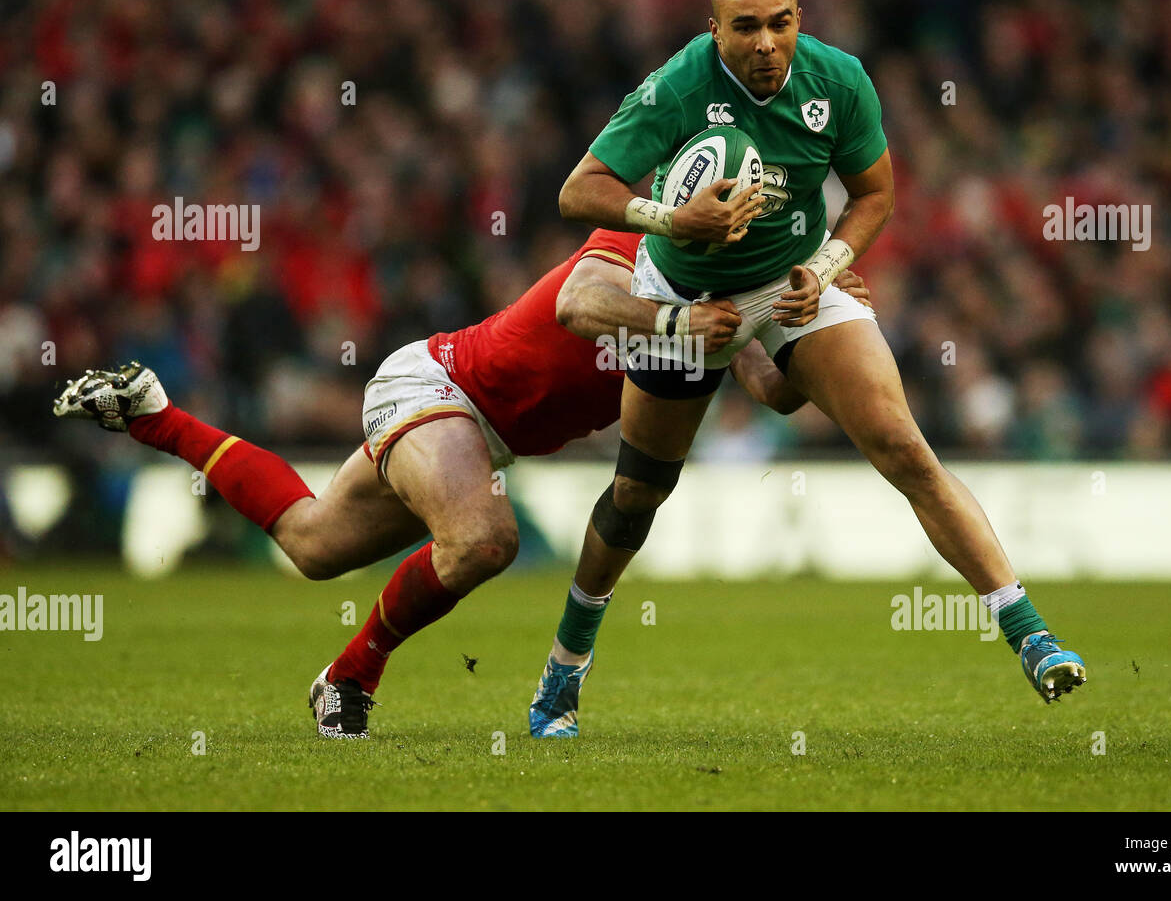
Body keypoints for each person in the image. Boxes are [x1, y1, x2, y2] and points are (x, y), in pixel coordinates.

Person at [530, 0, 1085, 739]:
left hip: (790, 283)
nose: (767, 43)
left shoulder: (841, 80)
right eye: (746, 27)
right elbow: (577, 189)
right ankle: (565, 670)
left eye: (781, 23)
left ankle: (1029, 631)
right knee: (636, 498)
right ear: (713, 30)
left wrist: (826, 267)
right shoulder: (678, 87)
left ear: (799, 21)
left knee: (902, 446)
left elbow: (876, 194)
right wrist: (671, 219)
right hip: (682, 298)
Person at [53, 226, 869, 738]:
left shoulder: (730, 307)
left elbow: (775, 392)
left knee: (314, 546)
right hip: (438, 387)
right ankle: (353, 679)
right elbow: (582, 308)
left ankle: (156, 413)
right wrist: (676, 323)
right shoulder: (630, 248)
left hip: (480, 436)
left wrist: (811, 319)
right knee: (483, 541)